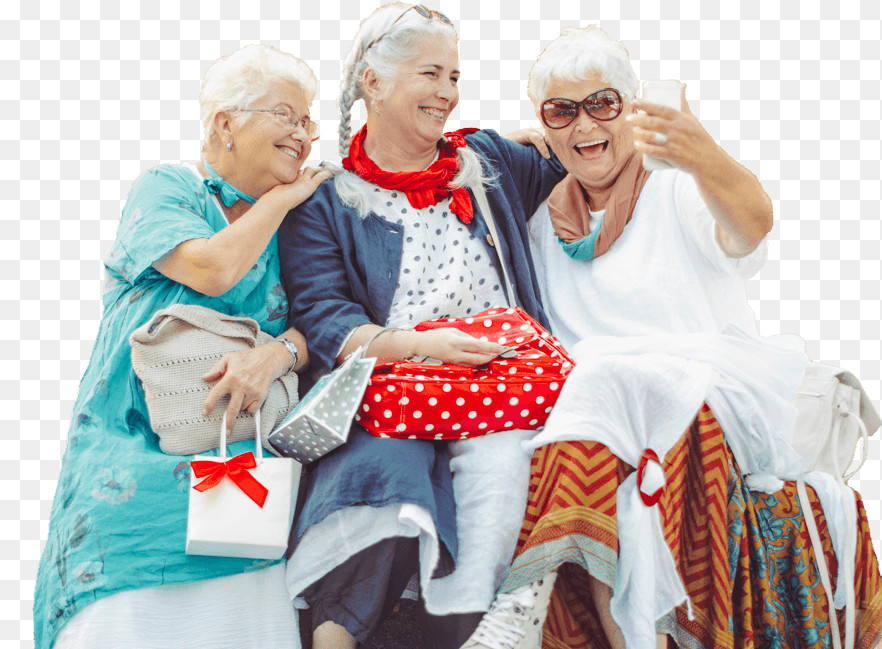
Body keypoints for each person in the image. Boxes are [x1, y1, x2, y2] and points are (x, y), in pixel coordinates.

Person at [461, 26, 882, 649]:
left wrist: (699, 154)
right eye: (563, 110)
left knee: (607, 377)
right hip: (597, 415)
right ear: (545, 125)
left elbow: (750, 226)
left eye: (602, 104)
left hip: (703, 389)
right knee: (605, 440)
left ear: (630, 109)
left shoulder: (674, 187)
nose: (585, 124)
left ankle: (523, 599)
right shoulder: (540, 217)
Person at [276, 4, 566, 649]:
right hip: (398, 382)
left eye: (455, 76)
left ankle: (479, 629)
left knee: (500, 470)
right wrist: (419, 347)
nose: (448, 93)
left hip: (505, 379)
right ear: (373, 82)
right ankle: (333, 637)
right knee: (384, 468)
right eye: (431, 73)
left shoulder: (487, 161)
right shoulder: (326, 198)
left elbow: (582, 152)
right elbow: (323, 315)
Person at [33, 44, 329, 649]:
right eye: (286, 115)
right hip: (130, 491)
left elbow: (319, 321)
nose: (302, 135)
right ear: (225, 123)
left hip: (242, 496)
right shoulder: (170, 190)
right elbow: (213, 268)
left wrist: (275, 353)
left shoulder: (299, 229)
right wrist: (281, 199)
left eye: (308, 122)